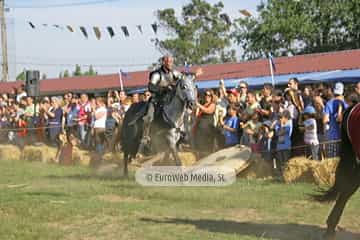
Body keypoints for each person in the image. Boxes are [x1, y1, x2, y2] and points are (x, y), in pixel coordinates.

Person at [141, 55, 202, 145]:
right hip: (157, 100)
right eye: (168, 62)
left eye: (171, 61)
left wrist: (195, 75)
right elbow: (151, 87)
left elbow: (184, 78)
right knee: (149, 117)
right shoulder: (157, 74)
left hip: (169, 99)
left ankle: (182, 133)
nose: (170, 63)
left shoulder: (174, 73)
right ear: (163, 62)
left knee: (183, 113)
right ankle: (145, 137)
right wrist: (164, 88)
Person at [323, 82, 348, 158]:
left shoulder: (329, 103)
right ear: (343, 92)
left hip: (332, 137)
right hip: (345, 138)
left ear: (334, 91)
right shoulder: (346, 104)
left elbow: (325, 120)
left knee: (332, 162)